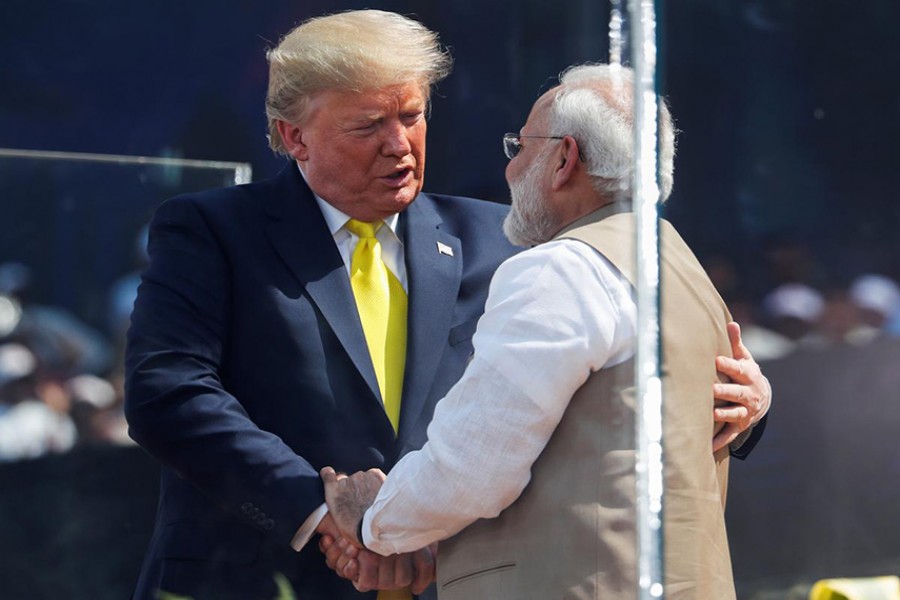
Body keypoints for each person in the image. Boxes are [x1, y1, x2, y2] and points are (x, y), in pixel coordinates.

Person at [125, 11, 769, 600]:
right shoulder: (210, 231)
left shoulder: (510, 238)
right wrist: (323, 511)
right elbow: (168, 392)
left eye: (412, 115)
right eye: (368, 126)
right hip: (259, 577)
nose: (400, 144)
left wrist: (747, 402)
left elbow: (614, 366)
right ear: (295, 138)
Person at [320, 63, 760, 600]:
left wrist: (371, 519)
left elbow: (473, 469)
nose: (509, 172)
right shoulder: (684, 270)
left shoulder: (561, 269)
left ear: (563, 159)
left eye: (520, 148)